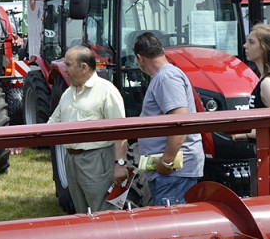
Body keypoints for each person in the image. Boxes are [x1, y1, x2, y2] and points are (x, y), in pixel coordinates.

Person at [48, 45, 128, 212]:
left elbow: (121, 130)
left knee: (104, 212)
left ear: (83, 67)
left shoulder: (106, 91)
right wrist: (23, 139)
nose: (65, 69)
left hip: (96, 160)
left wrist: (120, 164)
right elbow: (52, 124)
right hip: (71, 161)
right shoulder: (67, 93)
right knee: (81, 213)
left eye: (68, 65)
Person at [132, 32, 204, 205]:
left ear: (140, 58)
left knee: (174, 227)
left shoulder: (166, 77)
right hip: (170, 171)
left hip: (174, 172)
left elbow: (180, 122)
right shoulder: (164, 76)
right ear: (162, 51)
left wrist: (166, 162)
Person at [233, 23, 270, 141]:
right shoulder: (264, 79)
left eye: (251, 42)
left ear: (265, 48)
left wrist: (245, 134)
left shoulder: (269, 84)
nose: (245, 46)